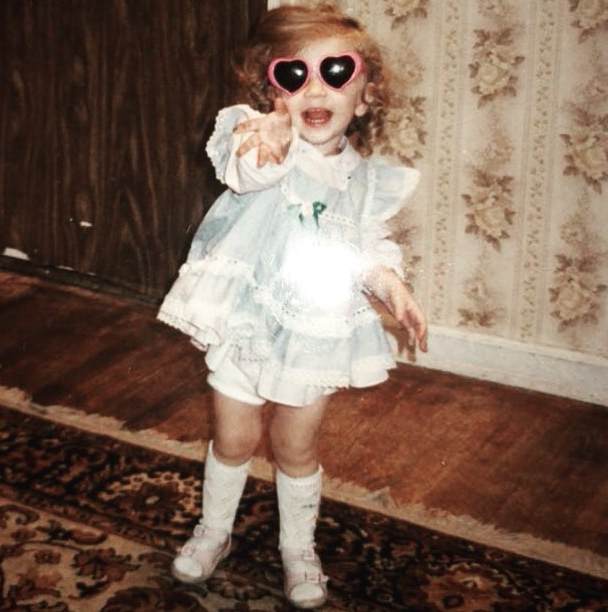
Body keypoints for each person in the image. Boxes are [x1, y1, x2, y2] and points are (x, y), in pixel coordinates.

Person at [158, 3, 428, 608]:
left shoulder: (362, 180)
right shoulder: (254, 137)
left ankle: (297, 548)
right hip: (245, 323)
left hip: (314, 328)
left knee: (296, 447)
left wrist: (393, 288)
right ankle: (215, 530)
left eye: (336, 71)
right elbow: (245, 173)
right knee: (232, 438)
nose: (315, 87)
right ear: (271, 89)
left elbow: (367, 249)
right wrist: (271, 141)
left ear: (364, 95)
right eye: (293, 73)